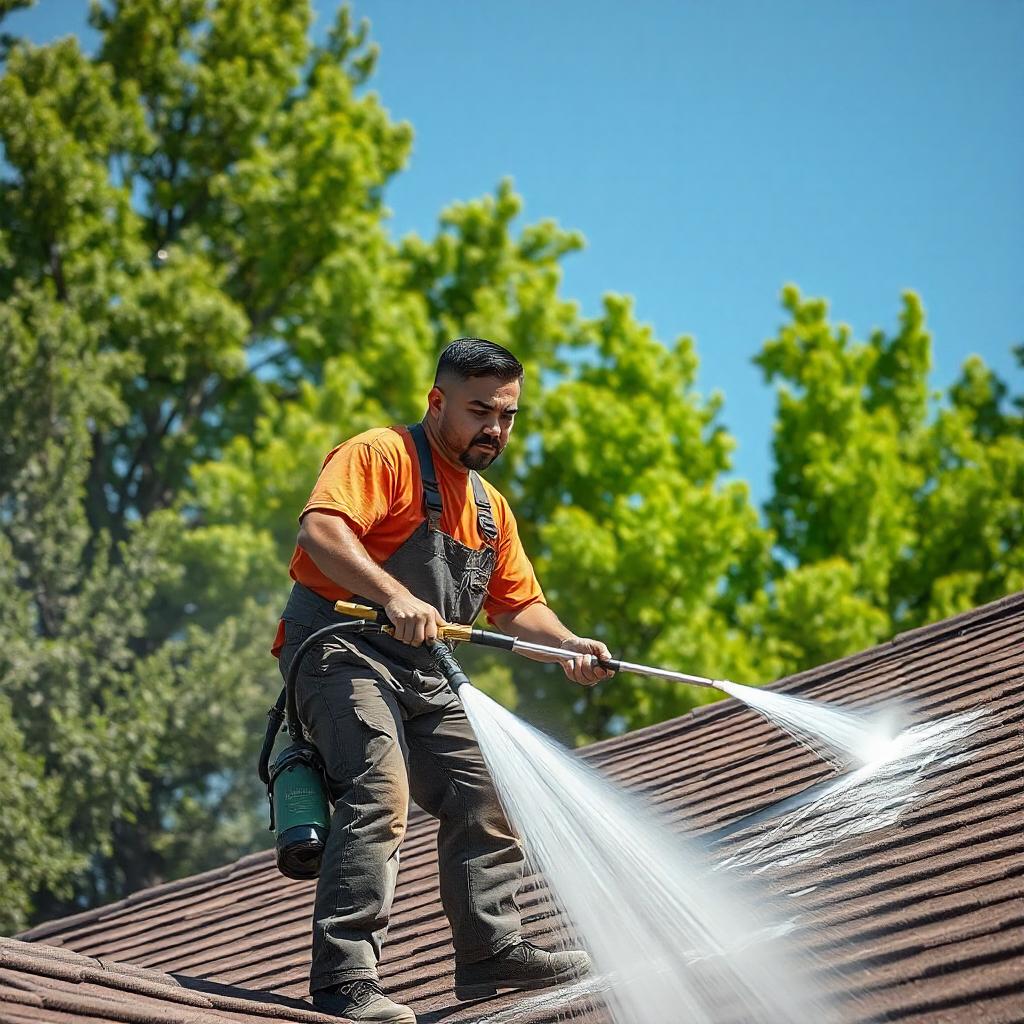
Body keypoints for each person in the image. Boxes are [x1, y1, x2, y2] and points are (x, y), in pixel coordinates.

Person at [273, 337, 613, 1023]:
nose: (495, 428)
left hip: (421, 676)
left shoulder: (490, 512)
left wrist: (569, 645)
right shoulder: (381, 455)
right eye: (479, 410)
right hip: (339, 653)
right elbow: (320, 533)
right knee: (378, 784)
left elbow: (520, 609)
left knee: (489, 782)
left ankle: (491, 950)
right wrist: (391, 594)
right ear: (438, 402)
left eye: (508, 415)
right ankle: (345, 982)